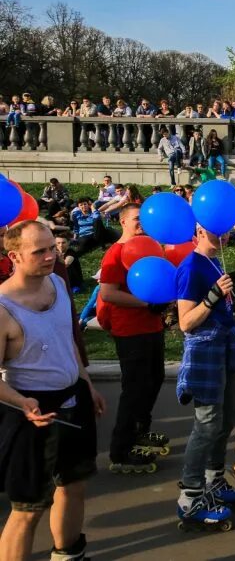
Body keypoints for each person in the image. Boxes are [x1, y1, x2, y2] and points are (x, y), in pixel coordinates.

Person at [0, 222, 105, 561]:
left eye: (52, 247)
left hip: (74, 401)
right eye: (40, 251)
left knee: (73, 487)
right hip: (31, 414)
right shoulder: (3, 309)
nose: (51, 256)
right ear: (14, 256)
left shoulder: (59, 283)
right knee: (28, 507)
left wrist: (86, 383)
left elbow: (67, 342)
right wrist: (21, 402)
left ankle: (68, 554)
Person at [174, 224, 235, 530]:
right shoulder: (190, 267)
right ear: (198, 233)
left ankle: (214, 480)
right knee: (206, 423)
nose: (224, 235)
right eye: (214, 230)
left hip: (224, 347)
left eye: (226, 230)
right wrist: (213, 297)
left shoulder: (216, 261)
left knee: (228, 417)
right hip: (204, 350)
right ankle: (190, 496)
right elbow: (185, 323)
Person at [97, 204, 168, 473]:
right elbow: (108, 293)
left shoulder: (150, 249)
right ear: (122, 221)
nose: (142, 223)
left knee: (154, 380)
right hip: (130, 331)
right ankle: (120, 449)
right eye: (137, 219)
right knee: (134, 390)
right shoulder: (115, 253)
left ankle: (140, 431)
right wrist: (145, 303)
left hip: (152, 327)